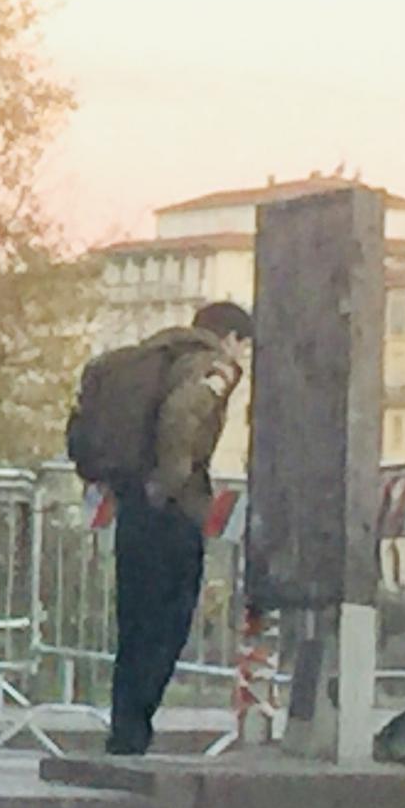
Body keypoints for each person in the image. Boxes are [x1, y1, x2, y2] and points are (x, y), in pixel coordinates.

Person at [101, 300, 253, 756]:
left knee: (135, 621)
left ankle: (125, 731)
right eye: (245, 347)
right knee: (169, 618)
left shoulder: (157, 358)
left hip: (132, 503)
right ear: (231, 339)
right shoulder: (214, 367)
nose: (243, 358)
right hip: (168, 508)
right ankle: (134, 728)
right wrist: (170, 483)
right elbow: (182, 415)